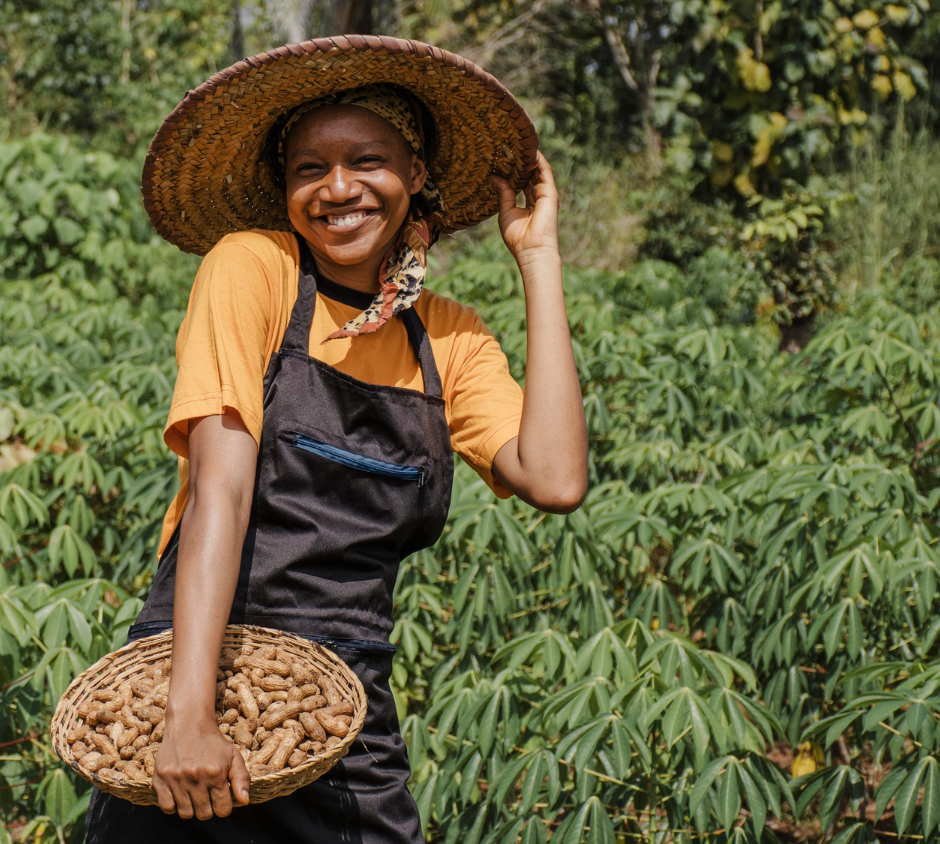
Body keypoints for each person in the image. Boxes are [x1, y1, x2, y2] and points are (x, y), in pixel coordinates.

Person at [85, 35, 588, 843]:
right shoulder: (254, 268)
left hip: (339, 703)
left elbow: (556, 479)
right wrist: (190, 716)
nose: (339, 188)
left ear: (415, 175)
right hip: (199, 671)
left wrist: (538, 257)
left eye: (368, 161)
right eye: (309, 169)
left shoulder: (451, 340)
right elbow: (221, 489)